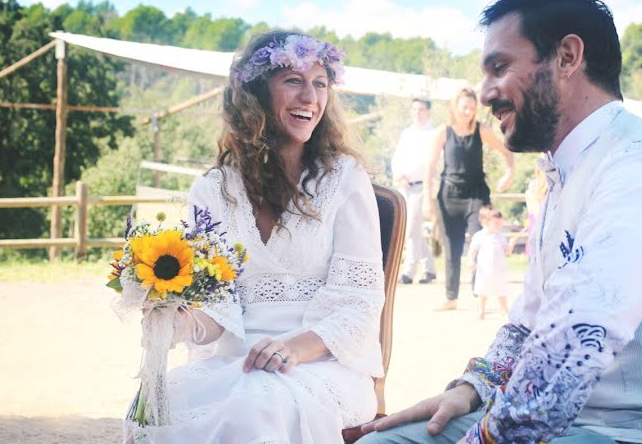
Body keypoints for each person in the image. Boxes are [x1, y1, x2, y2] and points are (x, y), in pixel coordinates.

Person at [359, 0, 642, 443]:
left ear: (568, 57)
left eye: (499, 68)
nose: (484, 95)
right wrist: (469, 390)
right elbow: (528, 322)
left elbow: (565, 357)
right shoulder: (568, 173)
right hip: (576, 427)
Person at [124, 31, 385, 444]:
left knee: (257, 408)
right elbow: (218, 305)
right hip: (237, 361)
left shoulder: (344, 180)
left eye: (320, 84)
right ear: (256, 93)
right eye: (293, 81)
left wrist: (295, 349)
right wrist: (179, 324)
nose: (310, 98)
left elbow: (361, 304)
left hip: (322, 363)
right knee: (157, 402)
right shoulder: (212, 190)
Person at [423, 87, 515, 311]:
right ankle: (451, 297)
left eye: (472, 108)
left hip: (477, 195)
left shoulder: (481, 130)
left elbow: (507, 151)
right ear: (455, 107)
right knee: (452, 248)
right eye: (465, 107)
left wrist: (509, 173)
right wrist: (428, 199)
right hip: (449, 196)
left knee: (482, 243)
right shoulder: (443, 132)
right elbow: (430, 168)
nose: (468, 112)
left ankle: (479, 293)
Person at [392, 98, 437, 284]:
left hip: (421, 187)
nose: (417, 112)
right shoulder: (407, 133)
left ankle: (408, 272)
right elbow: (396, 158)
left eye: (421, 109)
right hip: (404, 187)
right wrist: (400, 175)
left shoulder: (433, 134)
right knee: (413, 230)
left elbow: (430, 162)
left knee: (411, 230)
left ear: (428, 112)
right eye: (415, 109)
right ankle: (430, 269)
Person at [469, 206, 510, 320]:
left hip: (499, 270)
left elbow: (507, 252)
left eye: (500, 223)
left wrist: (510, 245)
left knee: (501, 291)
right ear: (487, 223)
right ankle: (481, 310)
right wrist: (471, 261)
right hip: (484, 270)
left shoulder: (501, 236)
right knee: (483, 291)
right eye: (496, 223)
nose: (499, 226)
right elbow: (472, 250)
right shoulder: (480, 236)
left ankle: (504, 310)